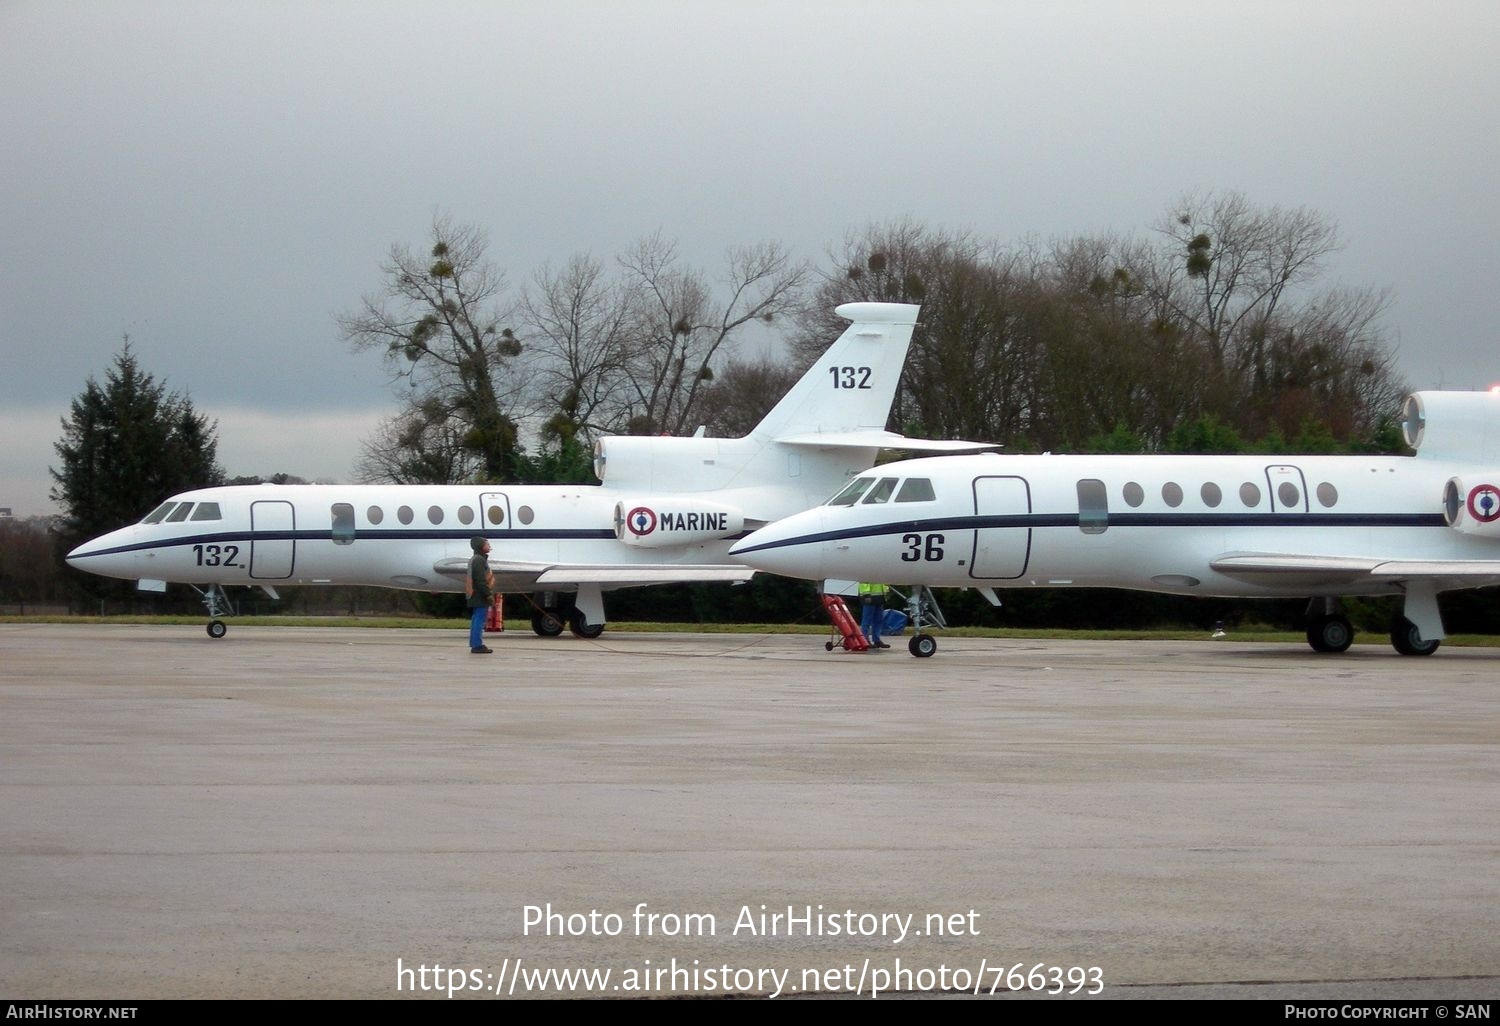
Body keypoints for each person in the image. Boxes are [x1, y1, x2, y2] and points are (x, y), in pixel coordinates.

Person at [466, 537, 496, 654]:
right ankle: (477, 645)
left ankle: (475, 643)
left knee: (476, 619)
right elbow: (480, 580)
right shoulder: (479, 560)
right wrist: (488, 595)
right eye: (487, 544)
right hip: (479, 595)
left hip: (475, 593)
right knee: (479, 619)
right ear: (481, 546)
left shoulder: (476, 559)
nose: (489, 546)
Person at [857, 581, 890, 649]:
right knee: (867, 621)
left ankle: (876, 640)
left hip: (879, 597)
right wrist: (866, 595)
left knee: (878, 620)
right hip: (870, 598)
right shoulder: (869, 572)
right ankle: (865, 640)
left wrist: (886, 593)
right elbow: (864, 582)